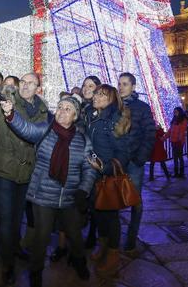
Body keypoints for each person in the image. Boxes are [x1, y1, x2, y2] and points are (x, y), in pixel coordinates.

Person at [1, 95, 96, 287]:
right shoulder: (45, 130)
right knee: (42, 236)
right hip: (42, 194)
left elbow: (89, 168)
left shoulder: (82, 139)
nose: (61, 111)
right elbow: (26, 129)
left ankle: (78, 261)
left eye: (68, 108)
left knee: (75, 235)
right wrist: (11, 114)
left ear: (76, 116)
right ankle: (36, 271)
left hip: (69, 196)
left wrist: (83, 190)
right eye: (60, 107)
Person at [0, 72, 49, 286]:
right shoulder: (6, 101)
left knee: (17, 218)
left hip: (27, 173)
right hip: (5, 171)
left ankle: (15, 248)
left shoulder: (43, 111)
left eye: (31, 83)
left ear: (38, 88)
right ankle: (7, 264)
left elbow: (35, 134)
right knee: (5, 220)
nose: (25, 86)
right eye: (23, 82)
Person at [85, 84, 132, 276]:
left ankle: (113, 254)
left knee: (111, 217)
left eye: (101, 95)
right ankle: (103, 245)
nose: (96, 96)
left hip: (107, 176)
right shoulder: (92, 115)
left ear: (111, 99)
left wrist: (105, 167)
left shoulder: (113, 119)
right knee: (97, 214)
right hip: (93, 176)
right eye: (96, 93)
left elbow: (123, 153)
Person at [117, 72, 155, 253]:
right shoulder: (114, 106)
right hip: (117, 161)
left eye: (125, 84)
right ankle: (113, 238)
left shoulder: (142, 107)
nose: (121, 87)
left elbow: (150, 133)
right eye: (120, 83)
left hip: (133, 161)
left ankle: (131, 238)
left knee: (135, 201)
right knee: (113, 199)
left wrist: (141, 157)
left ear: (133, 86)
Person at [78, 75, 102, 249]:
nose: (87, 88)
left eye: (91, 85)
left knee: (94, 199)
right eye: (85, 85)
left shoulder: (99, 109)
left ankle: (93, 233)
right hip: (79, 159)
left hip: (94, 160)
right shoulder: (80, 107)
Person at [169, 106, 188, 178]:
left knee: (180, 157)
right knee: (175, 158)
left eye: (176, 112)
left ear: (179, 112)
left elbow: (182, 131)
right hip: (173, 141)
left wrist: (179, 139)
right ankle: (176, 172)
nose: (174, 113)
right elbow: (170, 130)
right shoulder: (174, 120)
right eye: (174, 112)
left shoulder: (183, 120)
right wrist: (164, 138)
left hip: (179, 142)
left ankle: (181, 173)